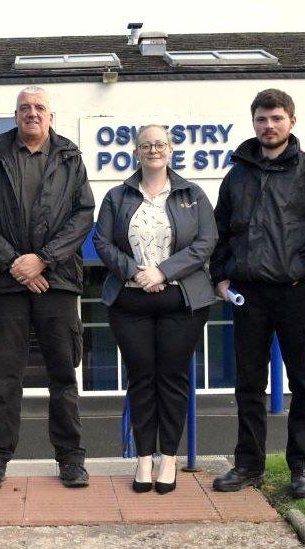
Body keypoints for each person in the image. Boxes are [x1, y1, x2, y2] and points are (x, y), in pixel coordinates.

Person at [210, 89, 305, 499]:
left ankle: (303, 469)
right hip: (248, 296)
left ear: (291, 121)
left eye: (275, 118)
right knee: (248, 385)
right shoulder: (237, 174)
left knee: (304, 384)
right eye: (261, 119)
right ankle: (248, 465)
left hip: (296, 293)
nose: (268, 126)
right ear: (253, 123)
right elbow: (220, 232)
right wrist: (221, 277)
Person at [0, 86, 95, 490]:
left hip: (57, 281)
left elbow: (82, 214)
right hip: (8, 285)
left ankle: (71, 459)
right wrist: (14, 263)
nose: (32, 113)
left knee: (63, 375)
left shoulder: (70, 157)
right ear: (15, 115)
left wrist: (43, 259)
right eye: (25, 108)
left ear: (51, 116)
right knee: (5, 377)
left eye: (40, 107)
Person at [93, 125, 217, 494]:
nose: (153, 150)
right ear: (136, 151)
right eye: (146, 145)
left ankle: (168, 458)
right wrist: (136, 272)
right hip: (130, 302)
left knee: (172, 379)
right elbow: (101, 241)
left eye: (160, 144)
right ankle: (144, 457)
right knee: (142, 378)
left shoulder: (192, 194)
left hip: (183, 301)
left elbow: (206, 241)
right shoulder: (117, 196)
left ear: (171, 149)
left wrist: (163, 271)